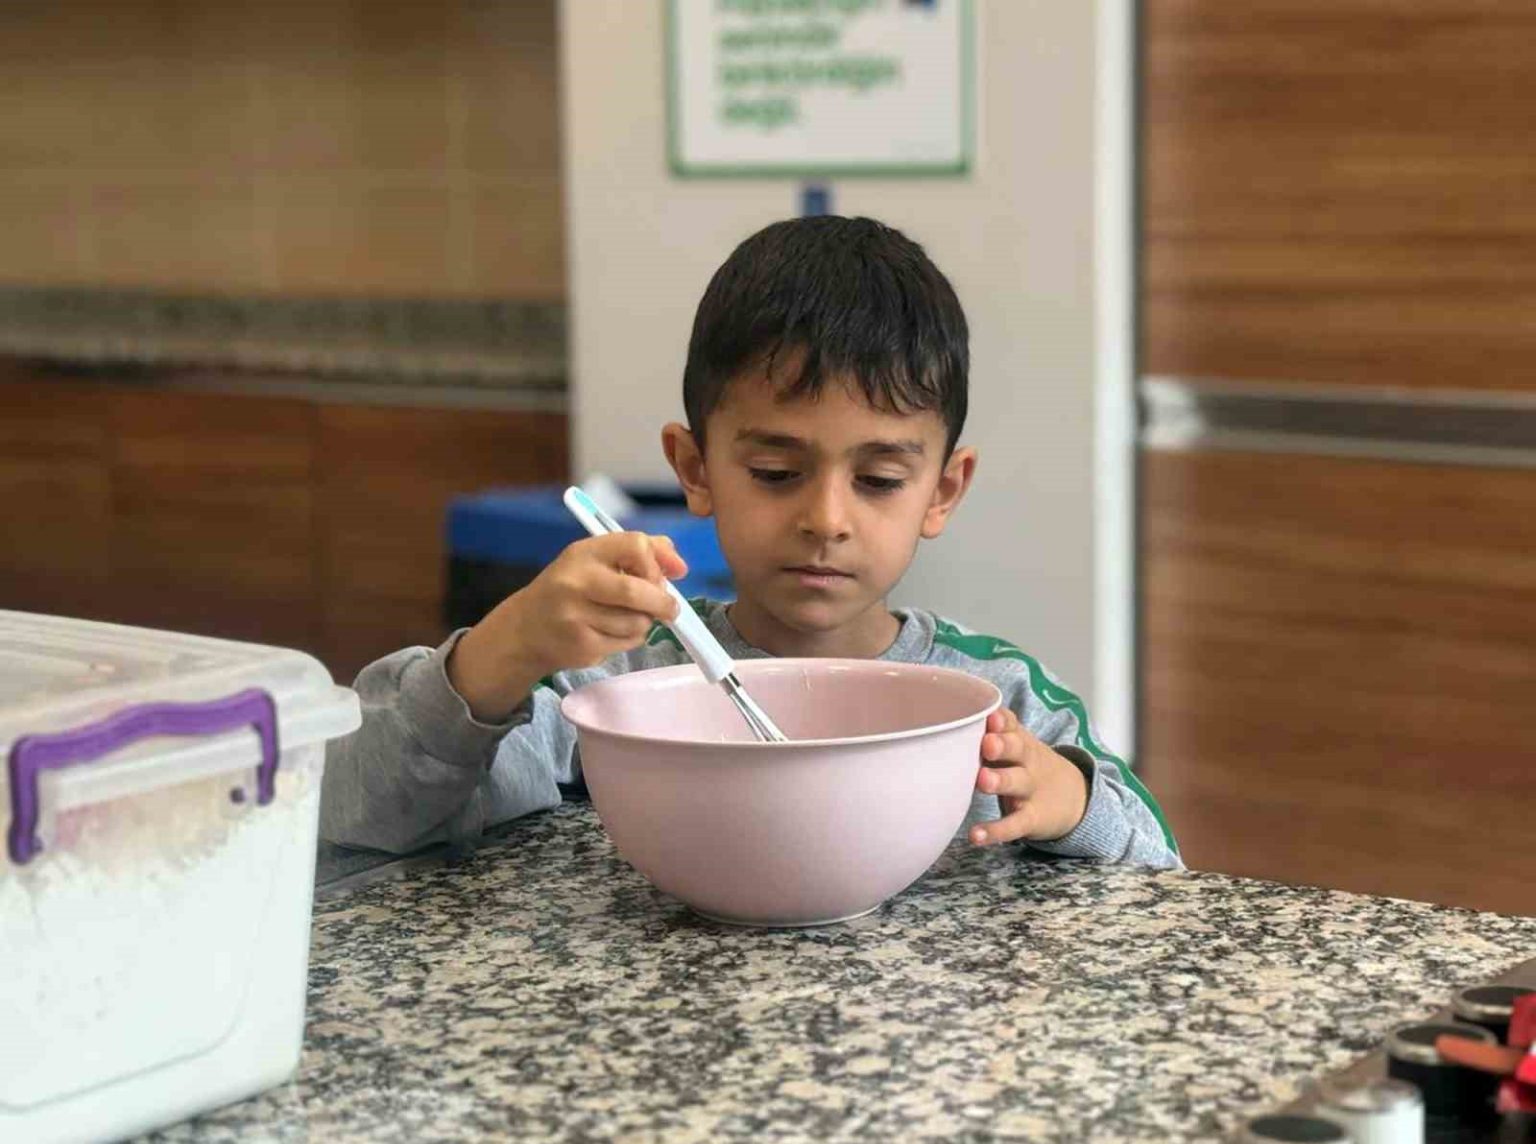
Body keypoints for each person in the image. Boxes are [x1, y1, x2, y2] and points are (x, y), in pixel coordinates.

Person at [321, 216, 1181, 870]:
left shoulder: (999, 701)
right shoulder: (609, 689)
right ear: (696, 470)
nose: (827, 518)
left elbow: (1166, 874)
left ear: (942, 491)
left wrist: (1073, 801)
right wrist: (507, 647)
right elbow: (360, 812)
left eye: (880, 479)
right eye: (776, 471)